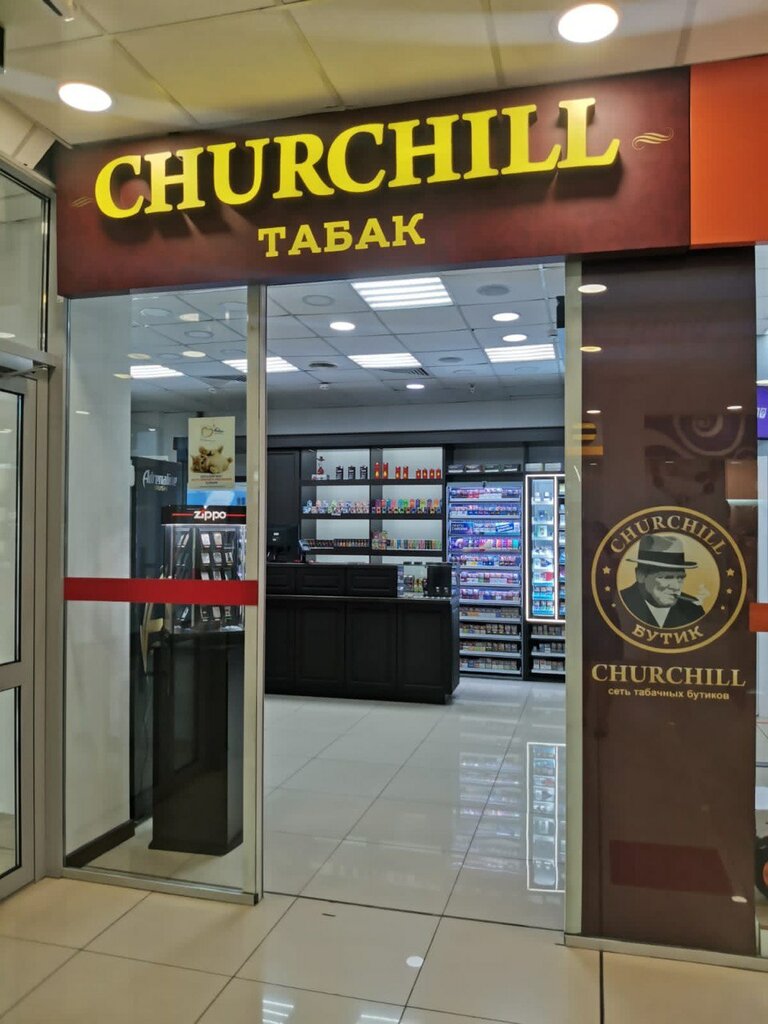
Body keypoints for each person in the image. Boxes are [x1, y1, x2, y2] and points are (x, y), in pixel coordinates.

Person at [620, 535, 704, 628]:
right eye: (667, 577)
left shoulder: (693, 609)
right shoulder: (619, 604)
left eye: (680, 578)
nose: (676, 587)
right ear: (641, 575)